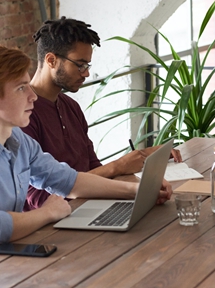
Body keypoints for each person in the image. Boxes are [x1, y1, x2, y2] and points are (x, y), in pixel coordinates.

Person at [0, 45, 172, 250]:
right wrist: (47, 212)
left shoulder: (19, 140)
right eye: (21, 88)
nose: (33, 96)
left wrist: (137, 190)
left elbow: (70, 181)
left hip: (6, 258)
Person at [23, 17, 181, 210]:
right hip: (54, 226)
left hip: (90, 207)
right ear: (51, 60)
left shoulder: (71, 107)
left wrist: (142, 173)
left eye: (87, 66)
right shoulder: (24, 115)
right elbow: (38, 200)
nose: (86, 73)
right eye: (80, 65)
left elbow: (93, 168)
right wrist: (118, 166)